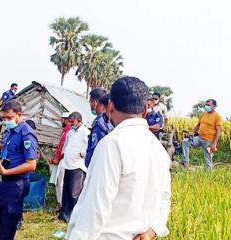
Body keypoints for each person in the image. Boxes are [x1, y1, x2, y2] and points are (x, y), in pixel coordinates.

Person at [66, 76, 171, 240]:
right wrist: (152, 230)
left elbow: (96, 208)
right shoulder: (158, 149)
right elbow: (164, 198)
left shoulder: (112, 144)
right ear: (144, 110)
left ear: (110, 106)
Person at [0, 101, 38, 240]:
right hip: (4, 180)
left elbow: (31, 164)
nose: (6, 121)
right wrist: (1, 153)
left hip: (17, 183)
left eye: (9, 118)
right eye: (3, 118)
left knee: (7, 225)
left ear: (19, 114)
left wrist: (7, 172)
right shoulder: (9, 131)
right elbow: (10, 150)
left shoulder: (27, 133)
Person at [58, 112, 90, 223]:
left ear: (79, 120)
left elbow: (88, 147)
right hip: (68, 164)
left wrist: (82, 153)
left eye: (72, 122)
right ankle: (64, 214)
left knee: (74, 193)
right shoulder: (70, 133)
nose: (71, 124)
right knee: (66, 190)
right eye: (70, 122)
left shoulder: (85, 132)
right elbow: (65, 146)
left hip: (78, 166)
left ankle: (76, 217)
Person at [181, 99, 222, 170]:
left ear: (214, 106)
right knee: (185, 142)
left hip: (209, 141)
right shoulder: (203, 114)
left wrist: (214, 143)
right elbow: (198, 125)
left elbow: (218, 131)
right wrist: (192, 132)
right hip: (199, 138)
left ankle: (208, 174)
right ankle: (185, 161)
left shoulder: (217, 116)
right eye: (206, 105)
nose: (206, 106)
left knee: (208, 159)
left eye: (208, 105)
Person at [48, 112, 71, 212]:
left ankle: (62, 206)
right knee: (58, 183)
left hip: (63, 161)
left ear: (67, 120)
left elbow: (66, 150)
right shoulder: (65, 132)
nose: (61, 121)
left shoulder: (69, 133)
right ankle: (60, 204)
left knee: (60, 184)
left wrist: (57, 158)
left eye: (63, 119)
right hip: (60, 160)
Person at [85, 88, 113, 168]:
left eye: (90, 102)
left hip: (97, 167)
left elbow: (95, 148)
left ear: (94, 103)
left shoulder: (100, 122)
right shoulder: (108, 119)